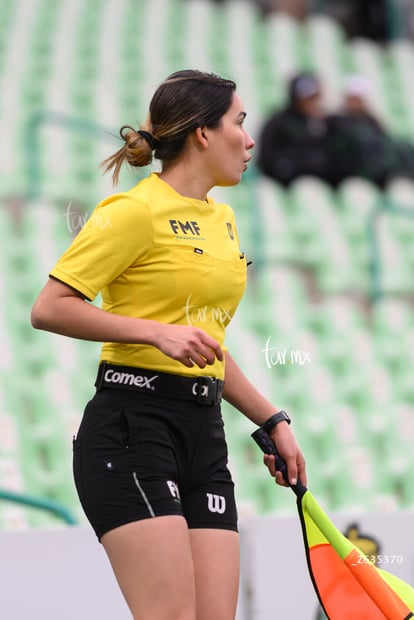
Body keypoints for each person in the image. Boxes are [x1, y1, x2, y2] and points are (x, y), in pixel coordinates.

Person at [31, 69, 306, 620]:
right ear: (203, 134)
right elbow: (49, 308)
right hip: (132, 427)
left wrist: (273, 421)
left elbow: (208, 346)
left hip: (204, 432)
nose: (250, 140)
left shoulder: (223, 221)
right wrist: (156, 332)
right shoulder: (131, 210)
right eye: (239, 123)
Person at [328, 75, 413, 188]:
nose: (356, 102)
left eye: (359, 98)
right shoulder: (337, 121)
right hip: (358, 173)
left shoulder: (371, 120)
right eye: (354, 98)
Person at [256, 72, 334, 187]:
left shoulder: (324, 122)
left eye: (313, 97)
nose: (311, 102)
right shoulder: (278, 122)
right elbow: (266, 158)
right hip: (285, 187)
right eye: (307, 98)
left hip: (316, 187)